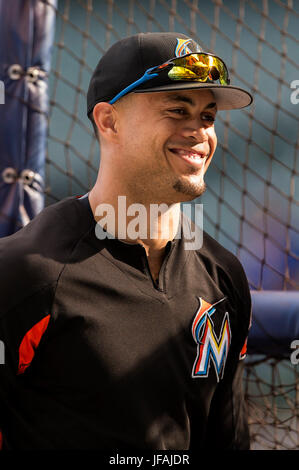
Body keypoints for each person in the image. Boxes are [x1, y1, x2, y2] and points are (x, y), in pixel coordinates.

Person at [0, 32, 252, 450]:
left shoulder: (223, 275)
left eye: (207, 117)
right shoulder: (26, 273)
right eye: (177, 109)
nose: (199, 133)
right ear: (108, 121)